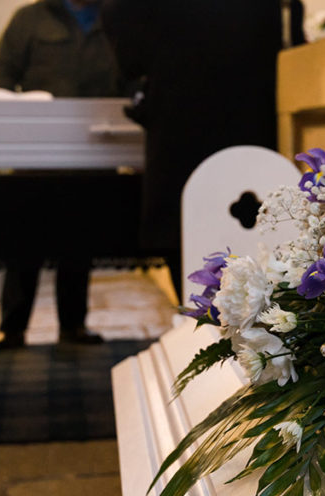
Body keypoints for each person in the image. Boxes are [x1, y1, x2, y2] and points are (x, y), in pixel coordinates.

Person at [100, 0, 304, 301]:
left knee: (184, 228)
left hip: (180, 105)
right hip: (254, 103)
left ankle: (201, 321)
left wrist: (139, 72)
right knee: (254, 225)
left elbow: (123, 28)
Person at [0, 0, 124, 350]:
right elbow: (2, 73)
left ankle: (73, 326)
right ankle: (12, 328)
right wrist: (14, 124)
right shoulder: (29, 19)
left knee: (79, 240)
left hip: (95, 150)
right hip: (36, 154)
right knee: (23, 242)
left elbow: (132, 74)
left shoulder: (115, 18)